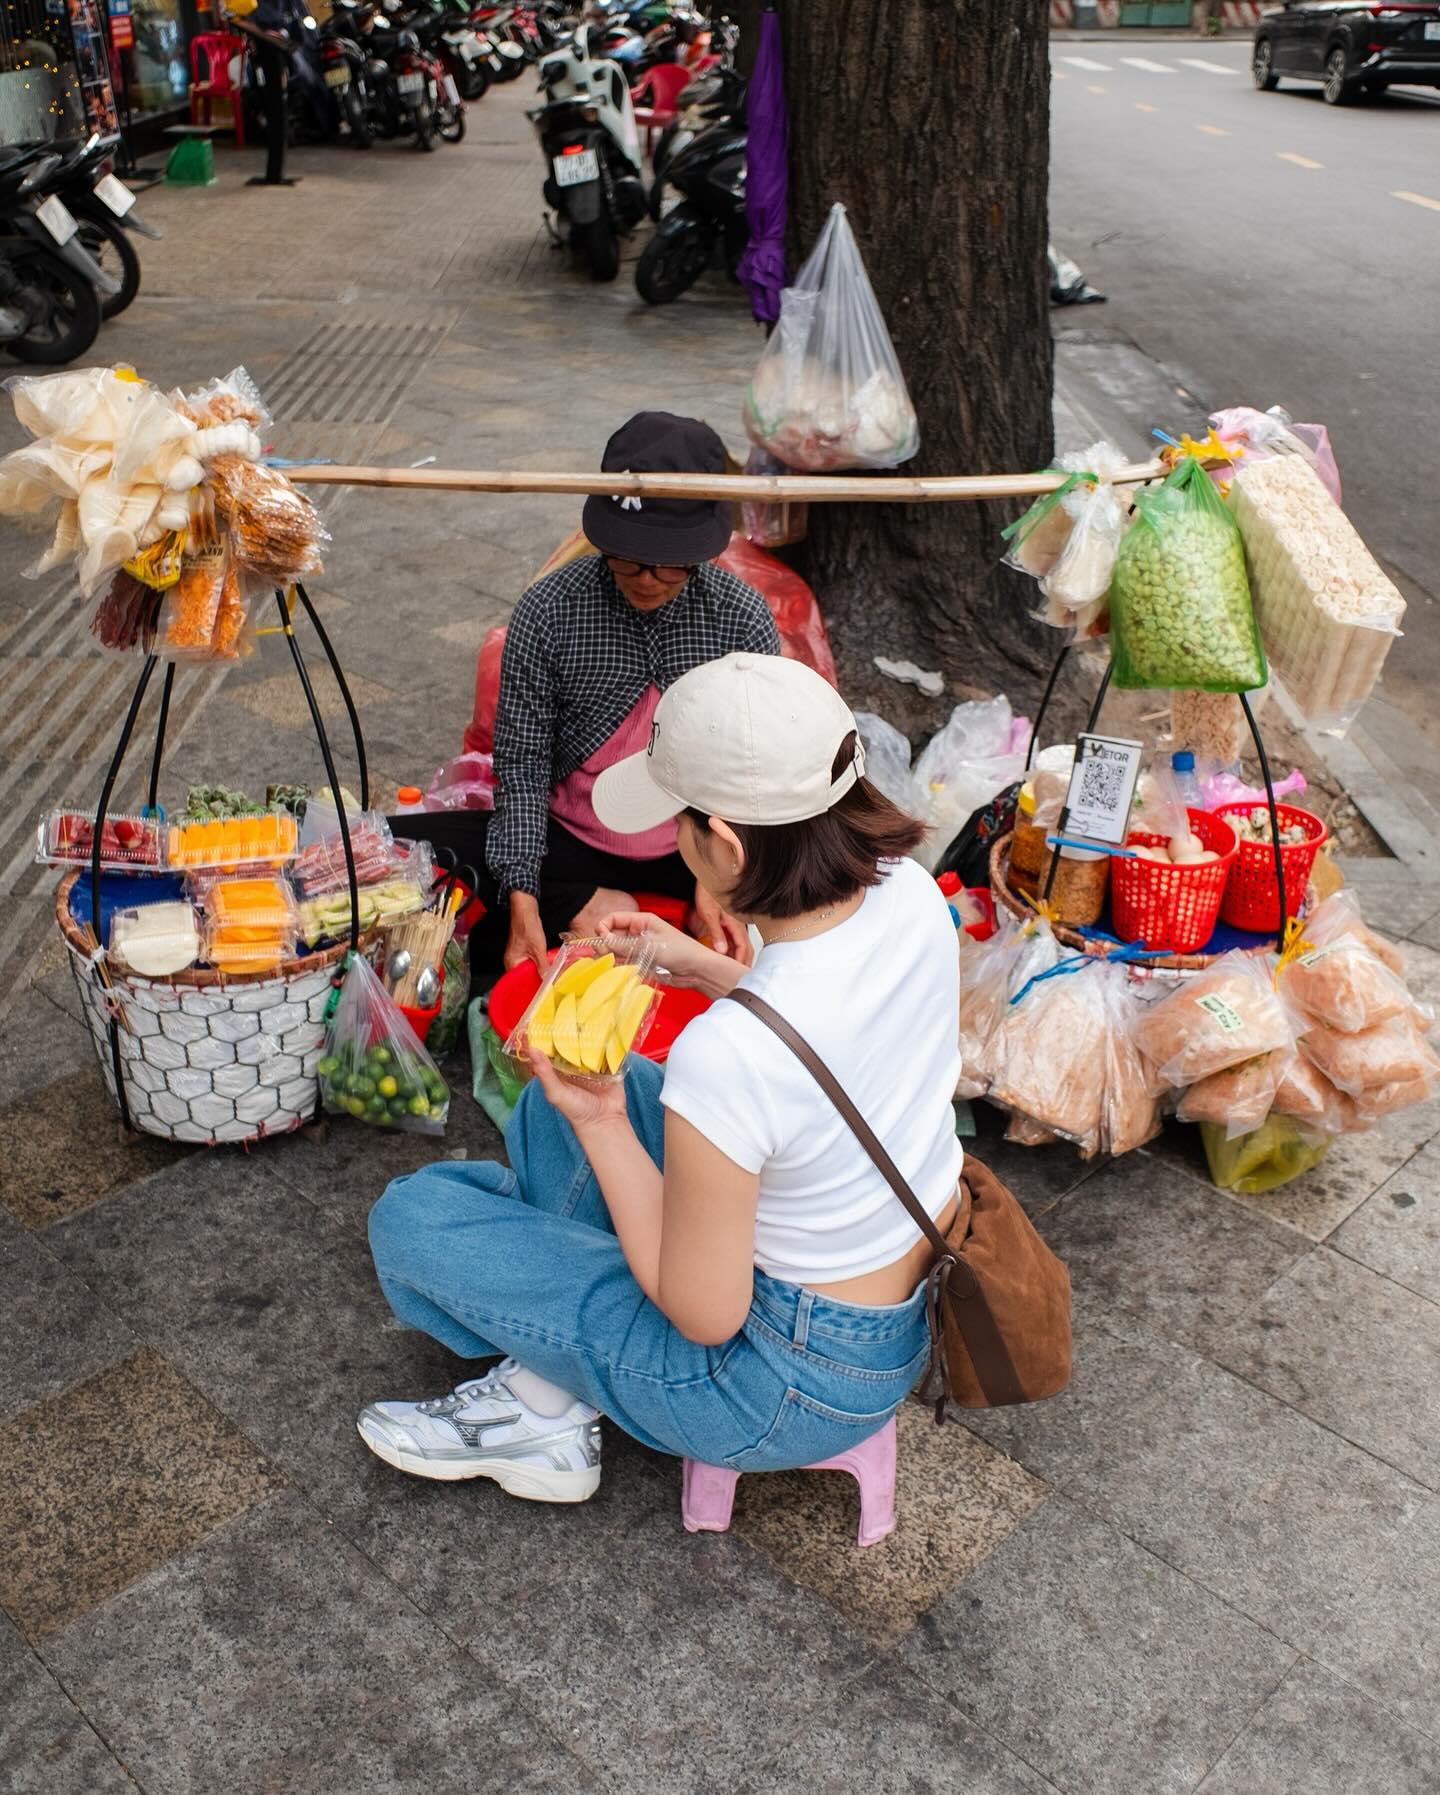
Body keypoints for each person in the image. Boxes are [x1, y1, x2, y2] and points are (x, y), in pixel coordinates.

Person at [359, 653, 962, 1503]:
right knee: (546, 1108)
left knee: (414, 1218)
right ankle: (552, 1368)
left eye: (677, 821)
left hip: (769, 1386)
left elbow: (706, 1316)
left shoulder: (731, 1055)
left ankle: (544, 1389)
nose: (672, 841)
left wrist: (604, 1119)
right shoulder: (908, 894)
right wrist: (693, 963)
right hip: (895, 1316)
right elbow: (832, 1035)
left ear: (721, 841)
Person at [390, 411, 779, 973]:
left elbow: (749, 769)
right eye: (628, 559)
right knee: (415, 847)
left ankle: (648, 905)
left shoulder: (740, 618)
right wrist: (527, 895)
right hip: (570, 841)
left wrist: (717, 879)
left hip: (689, 843)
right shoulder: (549, 610)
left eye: (668, 566)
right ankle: (578, 902)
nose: (646, 578)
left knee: (798, 878)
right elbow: (522, 765)